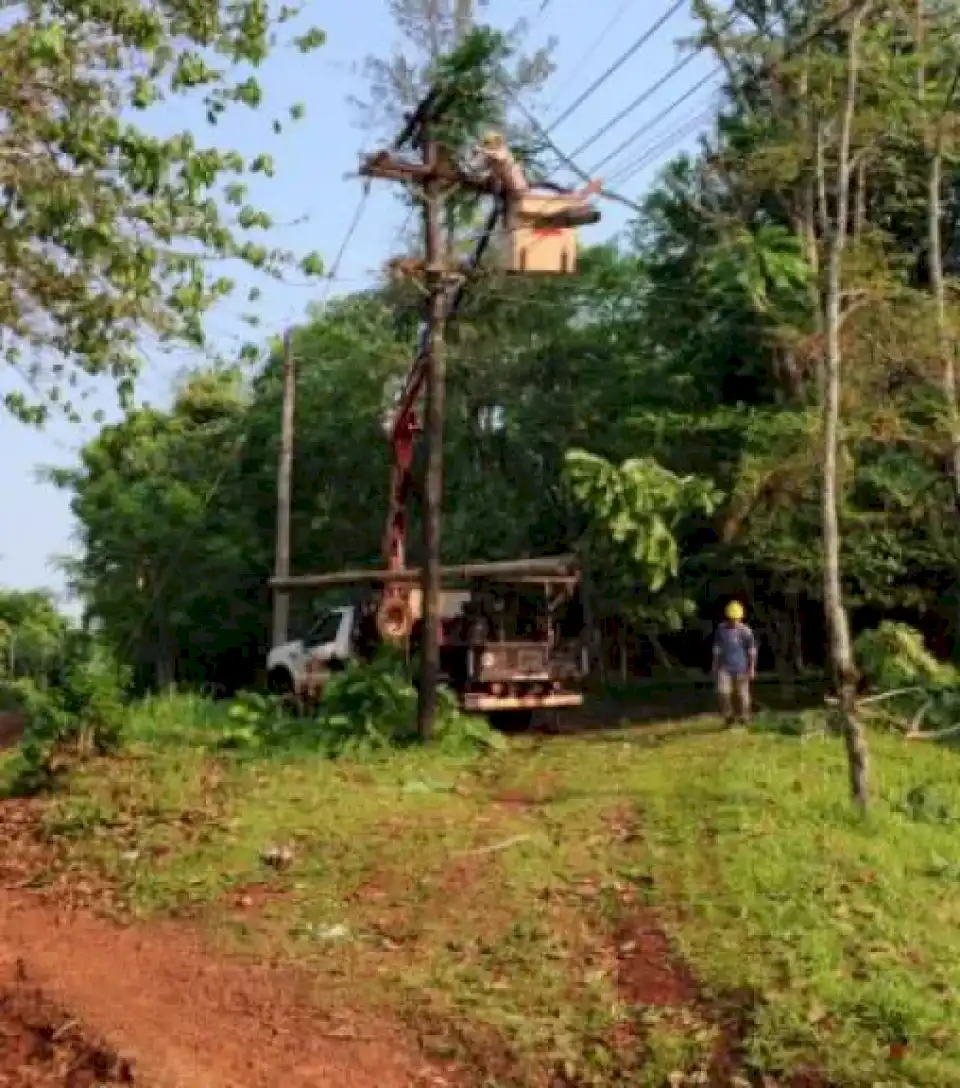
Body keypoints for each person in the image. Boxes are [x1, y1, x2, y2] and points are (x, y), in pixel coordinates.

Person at [712, 601, 757, 726]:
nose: (733, 621)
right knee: (723, 692)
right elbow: (717, 648)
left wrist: (752, 668)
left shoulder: (746, 631)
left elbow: (752, 650)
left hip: (741, 667)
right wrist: (715, 665)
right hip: (724, 667)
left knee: (742, 695)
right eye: (731, 619)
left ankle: (744, 717)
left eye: (736, 619)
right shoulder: (721, 629)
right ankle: (729, 716)